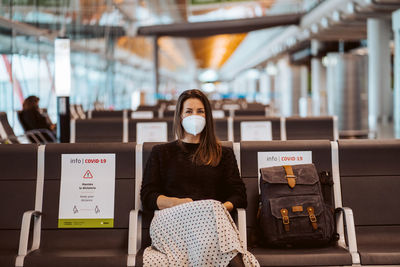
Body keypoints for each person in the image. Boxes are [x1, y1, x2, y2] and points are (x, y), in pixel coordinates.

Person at [140, 89, 259, 266]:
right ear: (180, 116)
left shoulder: (223, 154)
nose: (194, 116)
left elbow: (239, 195)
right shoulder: (161, 152)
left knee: (210, 224)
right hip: (172, 224)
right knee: (224, 250)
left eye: (200, 111)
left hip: (214, 227)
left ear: (207, 117)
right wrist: (178, 203)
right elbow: (148, 196)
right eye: (188, 111)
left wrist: (213, 211)